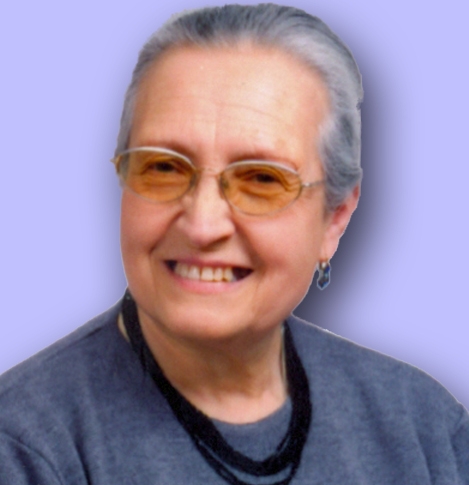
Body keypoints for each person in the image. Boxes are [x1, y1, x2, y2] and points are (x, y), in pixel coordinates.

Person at [0, 4, 467, 484]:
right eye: (164, 167)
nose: (202, 226)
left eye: (262, 179)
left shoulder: (426, 429)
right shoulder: (23, 448)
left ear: (335, 219)